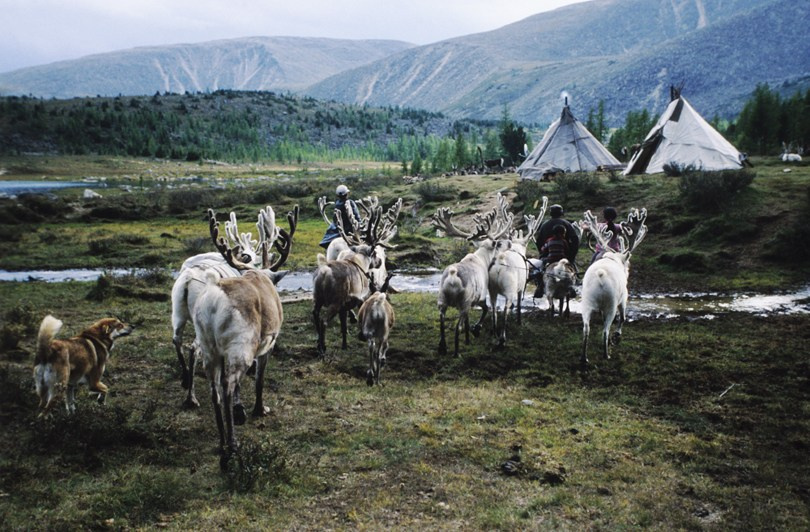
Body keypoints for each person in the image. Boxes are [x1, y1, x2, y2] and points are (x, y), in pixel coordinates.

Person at [532, 225, 570, 298]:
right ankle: (572, 286)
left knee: (541, 271)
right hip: (561, 260)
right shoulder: (564, 241)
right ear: (560, 233)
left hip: (550, 260)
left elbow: (543, 249)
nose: (564, 235)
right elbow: (567, 250)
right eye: (563, 233)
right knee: (571, 269)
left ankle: (540, 286)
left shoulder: (549, 240)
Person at [319, 184, 361, 249]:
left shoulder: (337, 204)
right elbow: (357, 218)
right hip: (350, 230)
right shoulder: (350, 203)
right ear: (347, 194)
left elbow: (335, 219)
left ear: (338, 195)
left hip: (339, 229)